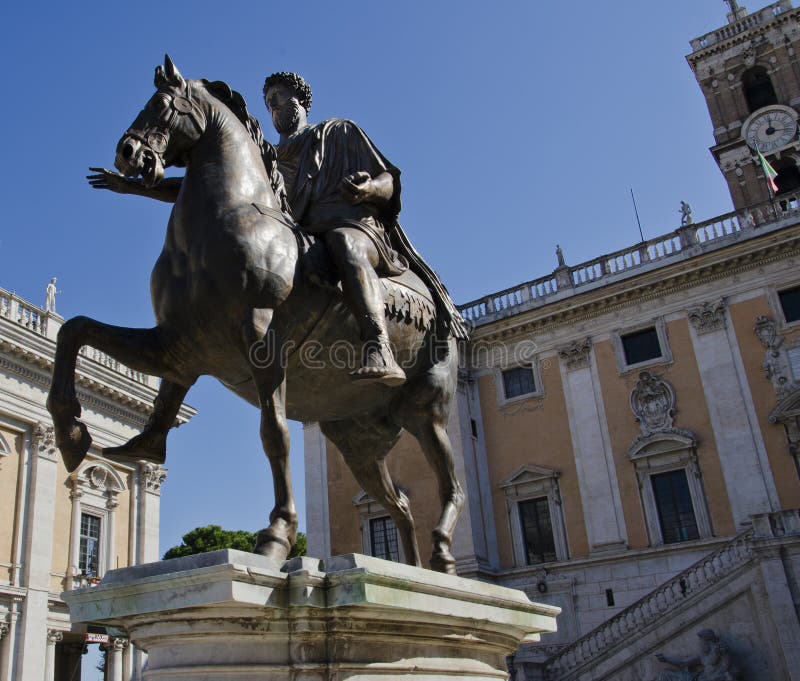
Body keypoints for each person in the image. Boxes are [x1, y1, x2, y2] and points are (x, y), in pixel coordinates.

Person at [654, 629, 737, 681]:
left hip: (715, 677)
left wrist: (725, 675)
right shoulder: (703, 655)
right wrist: (666, 659)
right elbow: (683, 663)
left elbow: (728, 666)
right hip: (700, 677)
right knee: (665, 674)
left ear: (707, 640)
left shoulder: (720, 648)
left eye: (701, 640)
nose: (700, 642)